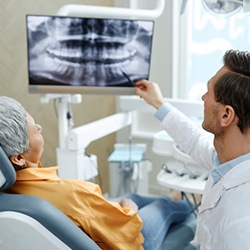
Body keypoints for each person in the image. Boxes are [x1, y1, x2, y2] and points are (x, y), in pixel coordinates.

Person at [0, 96, 193, 250]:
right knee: (161, 205)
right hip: (130, 243)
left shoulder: (7, 190)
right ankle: (190, 205)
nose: (40, 127)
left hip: (85, 222)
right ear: (17, 158)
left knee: (131, 195)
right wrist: (130, 209)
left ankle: (174, 198)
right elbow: (127, 230)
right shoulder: (73, 192)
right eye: (35, 130)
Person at [135, 49, 250, 250]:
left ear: (226, 115)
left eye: (209, 92)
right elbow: (195, 141)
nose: (203, 97)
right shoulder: (231, 159)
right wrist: (158, 103)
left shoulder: (241, 223)